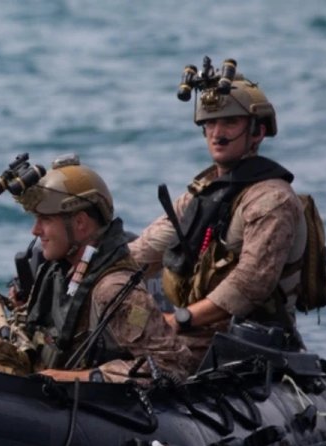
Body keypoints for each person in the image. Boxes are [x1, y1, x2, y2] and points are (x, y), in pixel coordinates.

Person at [0, 154, 191, 383]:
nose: (35, 230)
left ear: (81, 224)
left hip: (61, 401)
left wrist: (74, 378)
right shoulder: (60, 269)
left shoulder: (113, 290)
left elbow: (171, 366)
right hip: (30, 373)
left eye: (45, 220)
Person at [129, 58, 308, 361]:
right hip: (197, 328)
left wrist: (178, 320)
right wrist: (89, 276)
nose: (217, 133)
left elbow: (250, 284)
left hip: (248, 341)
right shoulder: (204, 192)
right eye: (210, 123)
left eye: (230, 122)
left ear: (257, 132)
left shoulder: (271, 201)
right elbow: (146, 249)